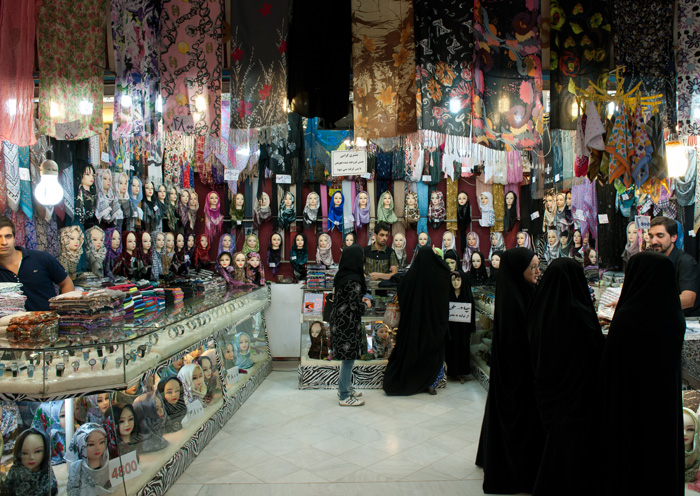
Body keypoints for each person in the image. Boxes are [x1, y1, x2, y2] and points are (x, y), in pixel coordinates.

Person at [598, 252, 685, 495]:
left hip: (630, 407)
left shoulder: (630, 315)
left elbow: (609, 366)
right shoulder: (673, 314)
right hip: (663, 406)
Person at [526, 258, 605, 496]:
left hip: (547, 392)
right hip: (578, 399)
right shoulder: (580, 315)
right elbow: (596, 354)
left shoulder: (539, 310)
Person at [476, 247, 545, 494]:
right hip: (517, 375)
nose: (537, 272)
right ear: (519, 270)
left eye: (538, 266)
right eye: (533, 268)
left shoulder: (522, 291)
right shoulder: (515, 301)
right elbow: (519, 342)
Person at [383, 246, 450, 396]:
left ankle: (413, 380)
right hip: (433, 325)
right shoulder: (439, 275)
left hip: (414, 326)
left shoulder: (411, 276)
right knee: (433, 353)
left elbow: (402, 288)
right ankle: (431, 384)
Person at [0, 216, 74, 310]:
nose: (4, 242)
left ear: (14, 237)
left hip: (49, 321)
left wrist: (66, 314)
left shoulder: (42, 258)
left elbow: (66, 283)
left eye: (8, 236)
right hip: (10, 323)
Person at [330, 244, 371, 407]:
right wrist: (366, 305)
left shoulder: (342, 275)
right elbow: (355, 306)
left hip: (340, 321)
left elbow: (346, 300)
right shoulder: (353, 280)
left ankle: (345, 388)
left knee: (348, 358)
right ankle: (345, 395)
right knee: (348, 359)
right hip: (347, 323)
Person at [649, 216, 700, 316]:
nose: (654, 241)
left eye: (660, 236)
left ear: (674, 237)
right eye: (651, 236)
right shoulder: (653, 260)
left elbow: (688, 299)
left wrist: (649, 305)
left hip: (684, 321)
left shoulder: (686, 262)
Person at [445, 270, 475, 384]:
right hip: (451, 328)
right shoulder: (448, 294)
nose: (456, 283)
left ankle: (462, 372)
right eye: (453, 280)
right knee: (450, 348)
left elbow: (471, 313)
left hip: (463, 329)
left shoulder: (466, 295)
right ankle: (451, 371)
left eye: (458, 280)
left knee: (462, 348)